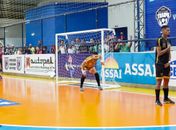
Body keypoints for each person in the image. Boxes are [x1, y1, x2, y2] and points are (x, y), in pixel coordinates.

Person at [155, 25, 175, 106]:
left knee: (166, 81)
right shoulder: (159, 40)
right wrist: (167, 49)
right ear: (163, 31)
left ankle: (166, 98)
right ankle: (157, 100)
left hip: (166, 64)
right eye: (167, 30)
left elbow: (169, 53)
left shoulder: (168, 41)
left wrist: (168, 61)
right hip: (159, 63)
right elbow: (159, 53)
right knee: (159, 82)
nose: (169, 31)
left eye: (169, 30)